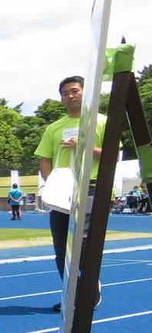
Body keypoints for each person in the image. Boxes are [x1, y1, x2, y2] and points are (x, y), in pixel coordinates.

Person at [35, 75, 107, 312]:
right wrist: (52, 183)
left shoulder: (100, 121)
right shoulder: (53, 128)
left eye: (75, 91)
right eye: (65, 93)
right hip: (61, 193)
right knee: (60, 248)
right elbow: (44, 159)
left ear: (85, 93)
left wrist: (84, 145)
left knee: (85, 245)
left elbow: (112, 155)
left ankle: (90, 290)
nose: (70, 96)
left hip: (91, 188)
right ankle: (72, 292)